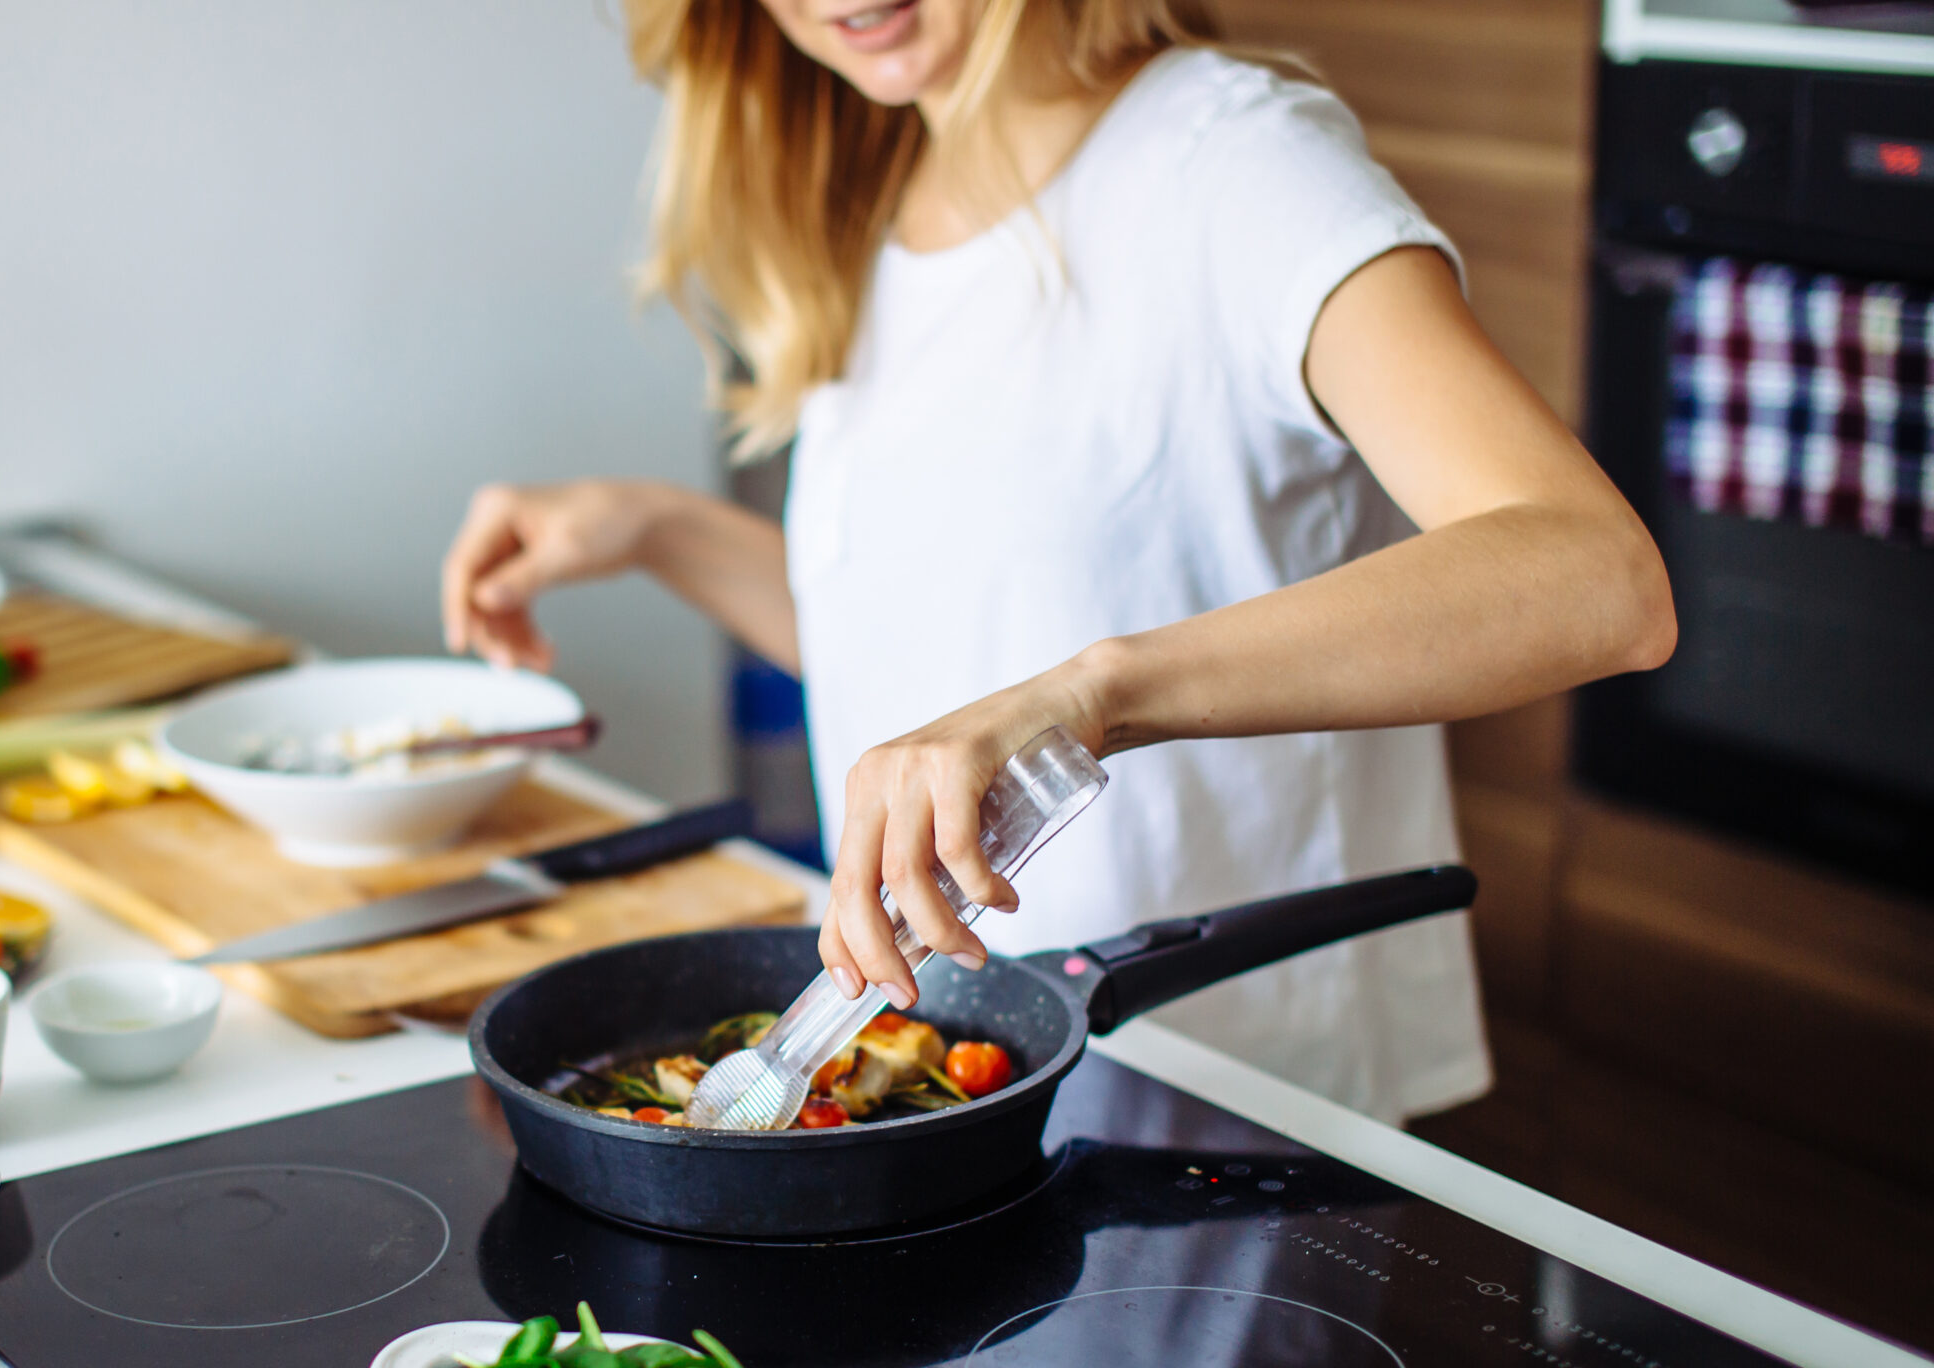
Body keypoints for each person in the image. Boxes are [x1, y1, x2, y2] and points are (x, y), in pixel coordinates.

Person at [438, 0, 1674, 1125]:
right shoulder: (891, 190)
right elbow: (941, 659)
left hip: (1215, 1094)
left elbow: (1594, 580)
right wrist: (659, 528)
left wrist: (1088, 701)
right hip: (951, 1089)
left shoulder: (1236, 163)